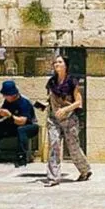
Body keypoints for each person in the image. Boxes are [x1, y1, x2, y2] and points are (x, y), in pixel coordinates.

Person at [45, 54, 92, 186]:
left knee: (73, 147)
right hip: (54, 119)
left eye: (59, 62)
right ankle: (53, 177)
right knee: (54, 145)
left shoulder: (71, 81)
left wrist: (65, 110)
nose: (56, 64)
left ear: (66, 65)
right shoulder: (52, 82)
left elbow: (78, 102)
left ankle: (85, 170)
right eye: (55, 62)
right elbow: (50, 99)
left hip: (69, 119)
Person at [0, 79, 39, 167]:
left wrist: (10, 116)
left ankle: (21, 157)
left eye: (5, 95)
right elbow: (3, 113)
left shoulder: (24, 102)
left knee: (21, 130)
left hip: (29, 126)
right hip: (13, 125)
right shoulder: (7, 101)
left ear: (13, 94)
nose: (4, 97)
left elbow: (23, 121)